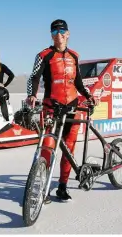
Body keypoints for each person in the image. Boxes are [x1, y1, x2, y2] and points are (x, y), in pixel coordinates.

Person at [26, 19, 96, 201]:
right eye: (55, 31)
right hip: (52, 108)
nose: (59, 34)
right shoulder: (44, 55)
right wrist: (32, 95)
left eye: (62, 30)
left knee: (69, 148)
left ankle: (62, 187)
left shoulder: (74, 55)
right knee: (47, 148)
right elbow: (33, 78)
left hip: (73, 107)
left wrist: (88, 96)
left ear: (68, 33)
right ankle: (43, 188)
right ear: (51, 35)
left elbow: (79, 82)